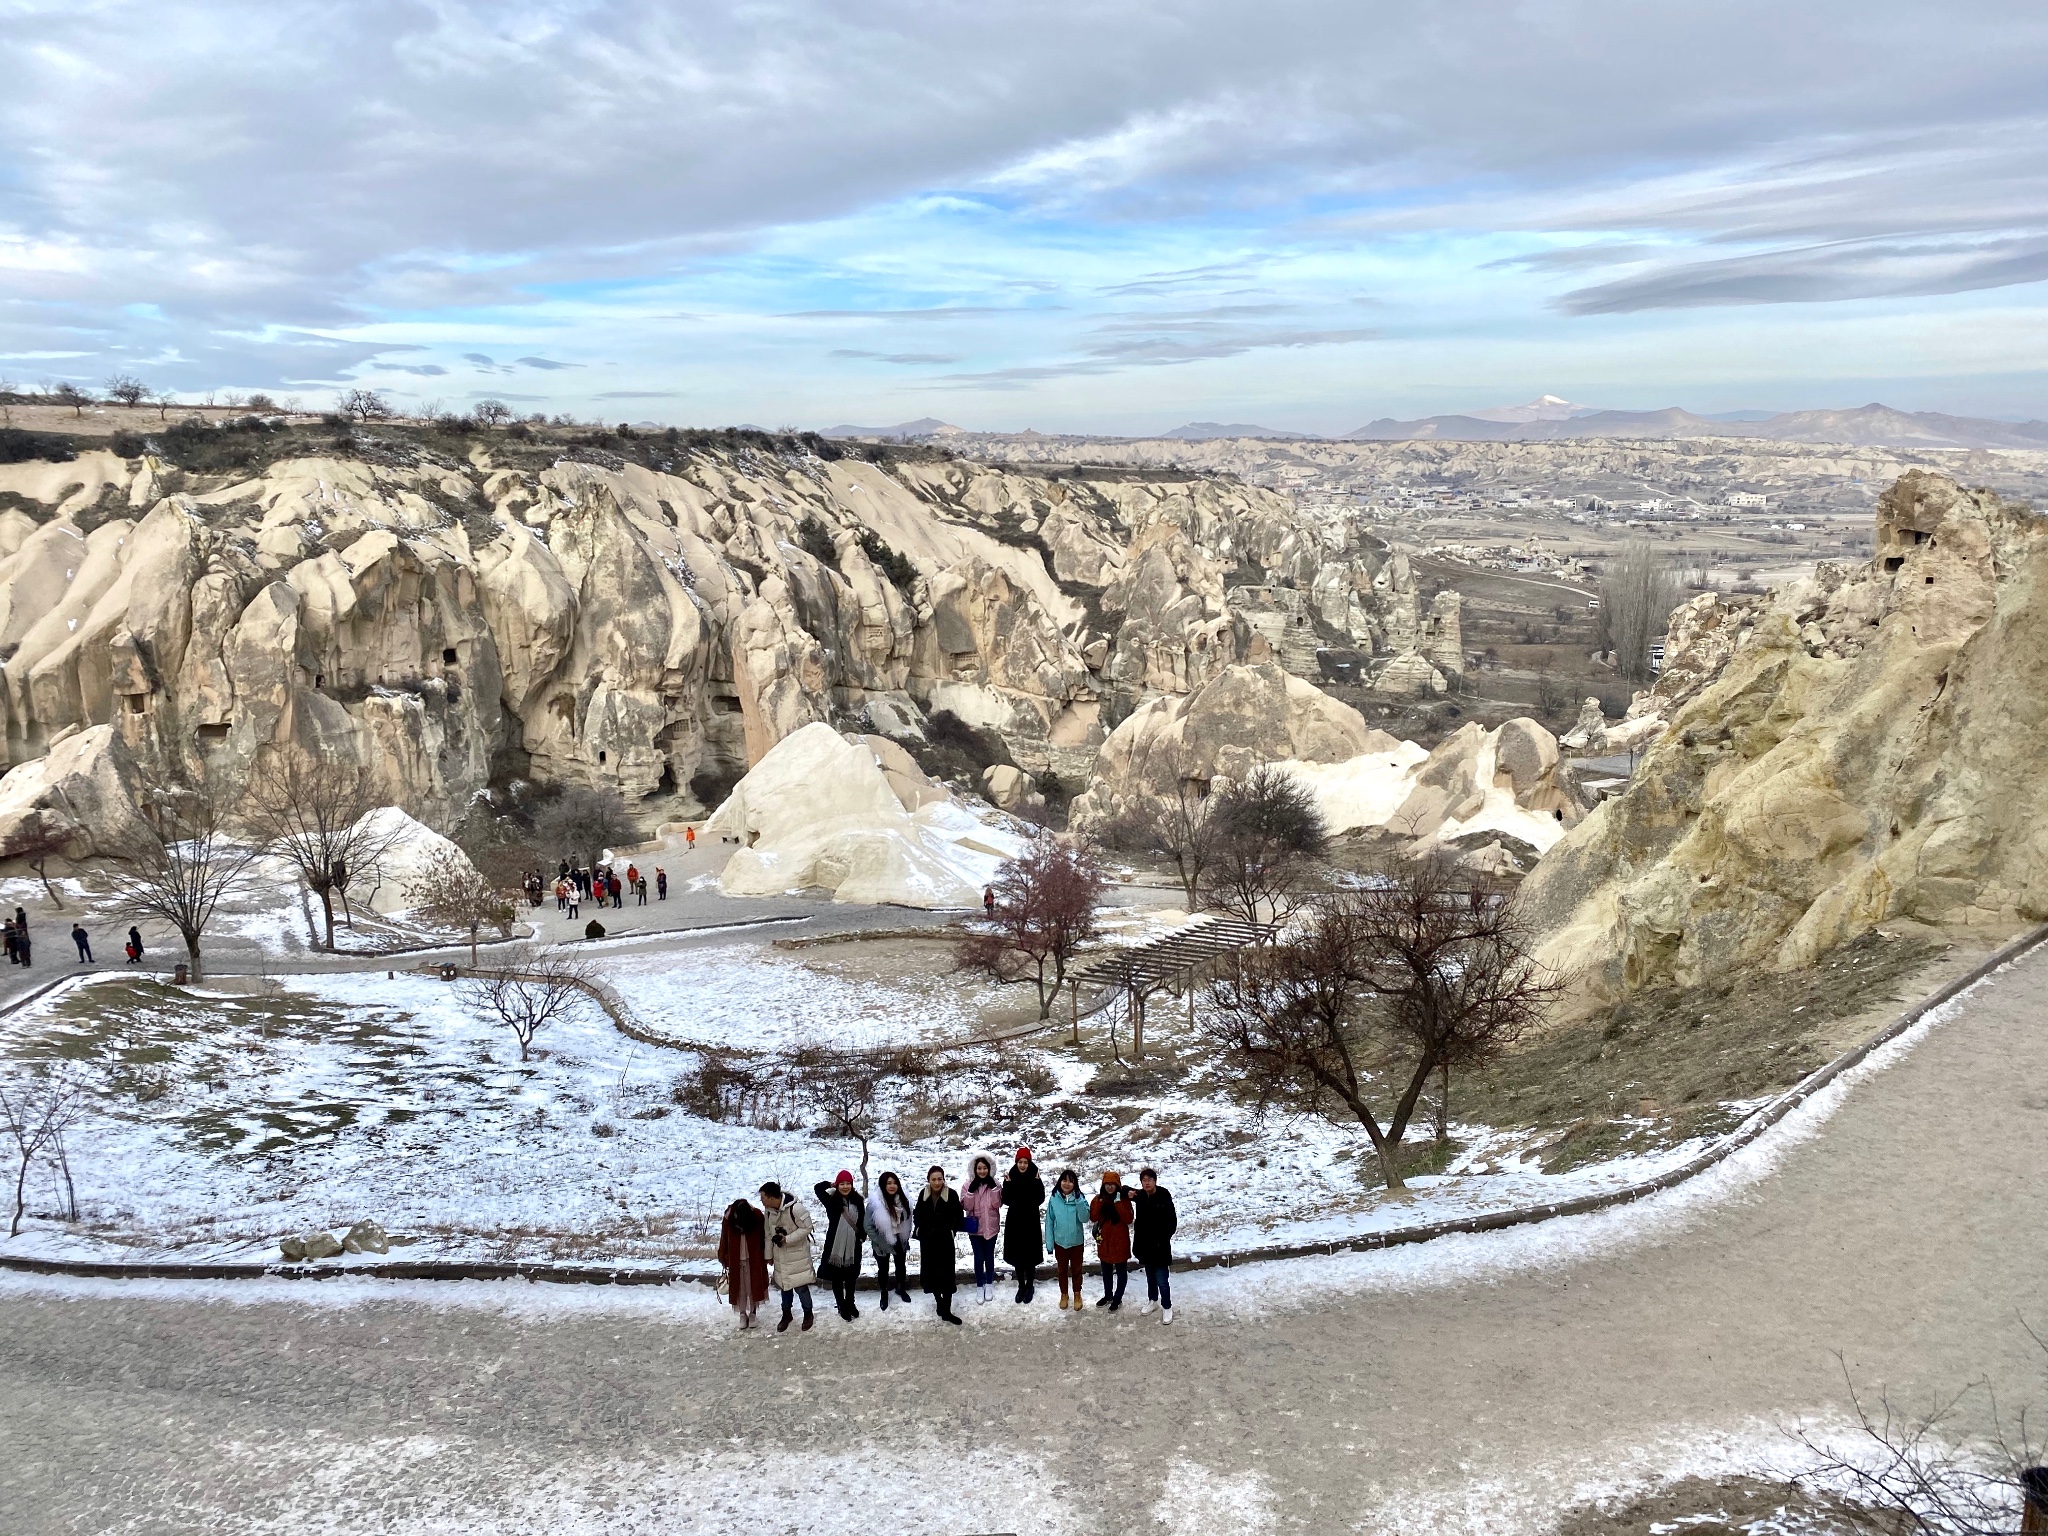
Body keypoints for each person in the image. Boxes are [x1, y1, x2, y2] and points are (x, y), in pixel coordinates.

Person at [760, 1181, 816, 1332]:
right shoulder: (769, 1211)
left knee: (800, 1286)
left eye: (763, 1197)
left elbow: (807, 1228)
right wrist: (768, 1255)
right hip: (780, 1255)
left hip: (797, 1255)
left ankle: (808, 1313)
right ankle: (786, 1314)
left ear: (772, 1197)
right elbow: (767, 1234)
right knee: (785, 1286)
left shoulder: (795, 1208)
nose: (761, 1201)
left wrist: (787, 1239)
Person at [912, 1163, 964, 1325]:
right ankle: (939, 1302)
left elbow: (958, 1217)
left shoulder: (951, 1195)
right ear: (929, 1180)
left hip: (945, 1242)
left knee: (946, 1275)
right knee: (931, 1273)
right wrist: (920, 1229)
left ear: (943, 1179)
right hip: (928, 1242)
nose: (937, 1182)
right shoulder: (923, 1194)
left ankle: (946, 1309)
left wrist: (951, 1231)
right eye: (933, 1179)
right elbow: (917, 1214)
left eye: (939, 1179)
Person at [812, 1171, 867, 1321]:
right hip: (834, 1244)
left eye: (848, 1183)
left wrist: (862, 1236)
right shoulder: (831, 1200)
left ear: (852, 1185)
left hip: (854, 1244)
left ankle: (850, 1302)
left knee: (851, 1276)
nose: (845, 1186)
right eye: (842, 1183)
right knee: (837, 1277)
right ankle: (841, 1305)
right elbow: (818, 1188)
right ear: (837, 1185)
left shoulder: (858, 1200)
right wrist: (830, 1184)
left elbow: (862, 1220)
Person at [1131, 1166, 1178, 1325]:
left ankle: (1167, 1306)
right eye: (1144, 1180)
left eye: (1149, 1180)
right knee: (1150, 1277)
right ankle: (1153, 1301)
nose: (1147, 1183)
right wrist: (1130, 1194)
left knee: (1162, 1280)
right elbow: (1124, 1189)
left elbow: (1172, 1223)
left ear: (1155, 1181)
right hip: (1145, 1246)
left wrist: (1161, 1239)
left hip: (1160, 1247)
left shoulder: (1164, 1196)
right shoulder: (1141, 1196)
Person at [716, 1198, 770, 1329]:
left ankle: (752, 1313)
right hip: (735, 1259)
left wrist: (766, 1256)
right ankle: (742, 1314)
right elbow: (724, 1237)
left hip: (754, 1258)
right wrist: (723, 1256)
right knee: (739, 1287)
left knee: (753, 1286)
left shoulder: (756, 1216)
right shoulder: (729, 1218)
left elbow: (764, 1237)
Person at [1001, 1147, 1045, 1304]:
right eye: (1020, 1162)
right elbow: (1005, 1199)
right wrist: (1009, 1186)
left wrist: (1036, 1184)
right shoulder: (1010, 1176)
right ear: (1016, 1162)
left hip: (1031, 1220)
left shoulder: (1035, 1175)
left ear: (1029, 1162)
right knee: (1018, 1256)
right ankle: (1021, 1286)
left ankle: (1030, 1285)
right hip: (1015, 1221)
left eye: (1025, 1162)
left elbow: (1041, 1197)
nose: (1023, 1165)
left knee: (1030, 1256)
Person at [865, 1170, 914, 1310]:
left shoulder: (904, 1201)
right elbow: (867, 1225)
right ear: (883, 1185)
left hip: (899, 1239)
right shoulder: (875, 1203)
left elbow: (909, 1220)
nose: (892, 1186)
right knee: (883, 1269)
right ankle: (884, 1293)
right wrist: (878, 1241)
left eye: (894, 1183)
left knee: (900, 1266)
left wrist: (906, 1236)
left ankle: (901, 1288)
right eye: (888, 1183)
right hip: (882, 1242)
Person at [1043, 1168, 1089, 1312]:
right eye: (1064, 1180)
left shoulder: (1080, 1198)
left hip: (1076, 1242)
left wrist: (1079, 1202)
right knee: (1062, 1270)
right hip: (1060, 1242)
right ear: (1060, 1182)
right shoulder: (1054, 1199)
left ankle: (1077, 1294)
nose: (1067, 1184)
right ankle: (1064, 1294)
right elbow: (1049, 1221)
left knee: (1077, 1270)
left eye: (1071, 1181)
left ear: (1075, 1184)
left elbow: (1085, 1218)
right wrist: (1050, 1243)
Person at [1090, 1171, 1134, 1312]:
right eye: (1107, 1185)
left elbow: (1128, 1219)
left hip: (1120, 1241)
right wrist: (1101, 1203)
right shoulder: (1098, 1199)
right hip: (1104, 1242)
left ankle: (1117, 1298)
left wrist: (1118, 1203)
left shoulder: (1124, 1200)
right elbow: (1093, 1217)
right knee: (1106, 1271)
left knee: (1121, 1272)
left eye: (1112, 1185)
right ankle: (1108, 1295)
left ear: (1117, 1186)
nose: (1110, 1187)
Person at [961, 1155, 1002, 1304]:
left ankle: (989, 1284)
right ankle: (980, 1285)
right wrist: (971, 1191)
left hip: (991, 1226)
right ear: (974, 1169)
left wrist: (993, 1188)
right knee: (978, 1258)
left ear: (989, 1168)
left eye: (985, 1168)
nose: (982, 1171)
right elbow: (966, 1206)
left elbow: (997, 1204)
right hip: (975, 1228)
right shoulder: (967, 1185)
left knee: (989, 1256)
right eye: (979, 1168)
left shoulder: (995, 1183)